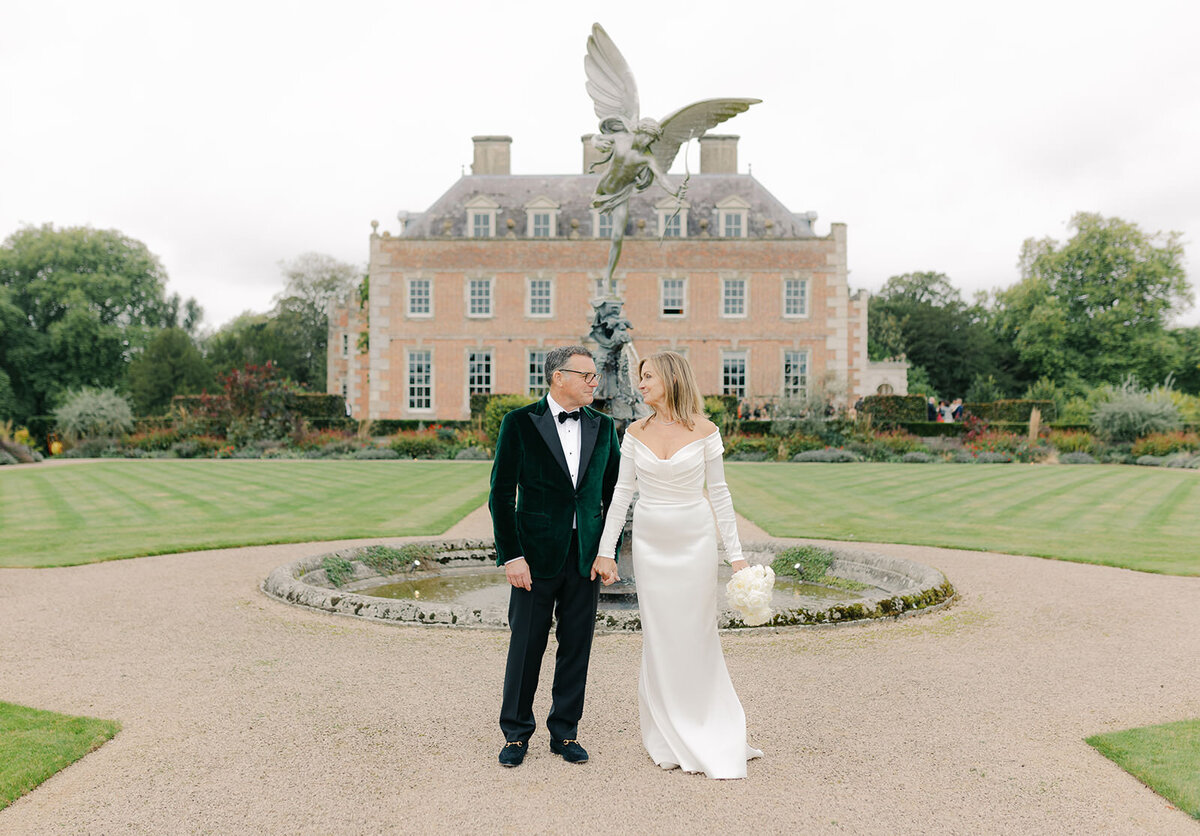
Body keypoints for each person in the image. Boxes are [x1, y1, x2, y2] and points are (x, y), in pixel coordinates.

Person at [596, 351, 762, 779]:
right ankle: (667, 732)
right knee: (660, 635)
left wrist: (736, 554)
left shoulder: (706, 430)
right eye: (640, 376)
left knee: (697, 632)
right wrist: (606, 550)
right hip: (651, 543)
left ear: (671, 378)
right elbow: (620, 495)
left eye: (648, 376)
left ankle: (707, 723)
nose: (641, 384)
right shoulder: (633, 431)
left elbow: (720, 494)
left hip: (694, 538)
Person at [489, 345, 623, 768]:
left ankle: (565, 733)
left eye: (594, 375)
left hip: (584, 558)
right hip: (533, 557)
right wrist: (512, 556)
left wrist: (607, 552)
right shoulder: (519, 422)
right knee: (526, 645)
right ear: (557, 377)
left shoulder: (604, 426)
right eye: (585, 375)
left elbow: (616, 496)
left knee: (576, 648)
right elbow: (500, 494)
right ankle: (515, 735)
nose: (593, 382)